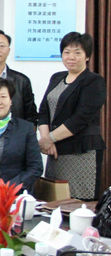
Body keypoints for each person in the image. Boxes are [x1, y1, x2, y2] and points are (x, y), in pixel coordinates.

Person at [38, 32, 107, 200]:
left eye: (77, 52)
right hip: (55, 151)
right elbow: (44, 111)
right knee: (53, 200)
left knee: (78, 202)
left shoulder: (94, 81)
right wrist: (46, 138)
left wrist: (49, 139)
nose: (71, 57)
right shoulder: (57, 78)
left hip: (81, 151)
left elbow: (80, 119)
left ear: (87, 56)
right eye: (67, 52)